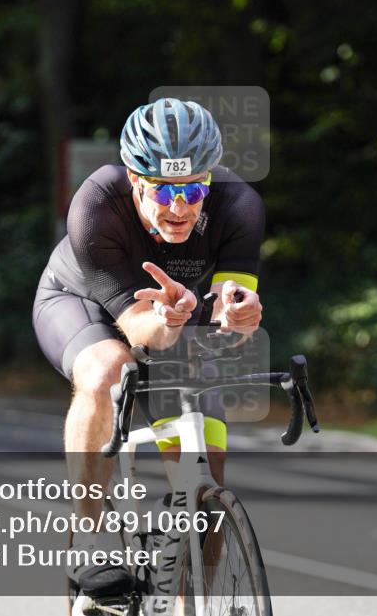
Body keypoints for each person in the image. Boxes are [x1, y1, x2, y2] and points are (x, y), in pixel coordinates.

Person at [32, 98, 265, 595]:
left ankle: (189, 597)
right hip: (84, 304)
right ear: (135, 179)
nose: (180, 207)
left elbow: (228, 310)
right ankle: (90, 540)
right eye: (163, 191)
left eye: (193, 188)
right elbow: (140, 331)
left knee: (207, 469)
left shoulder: (239, 205)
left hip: (177, 313)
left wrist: (238, 317)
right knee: (107, 370)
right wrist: (169, 320)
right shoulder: (96, 205)